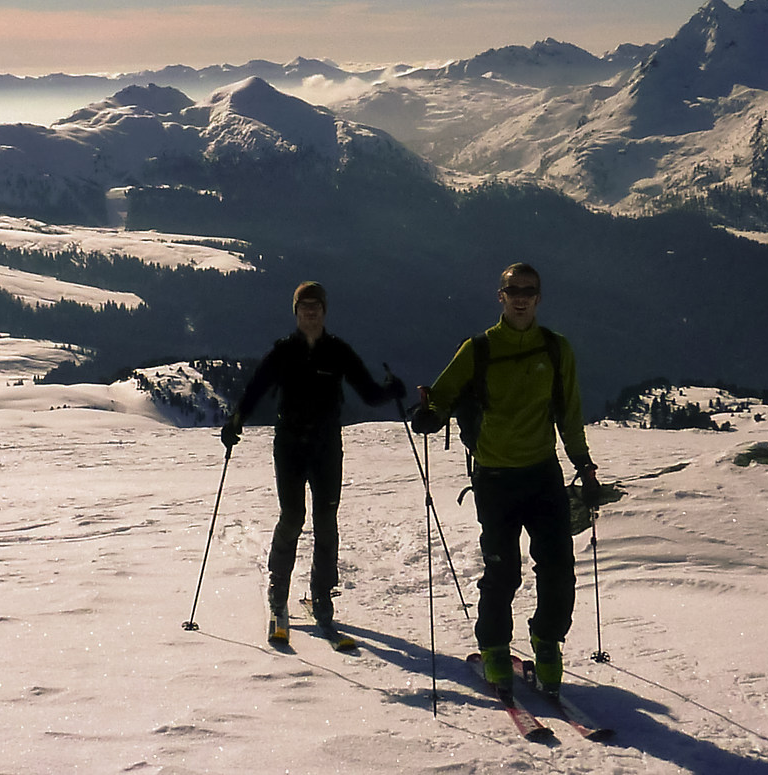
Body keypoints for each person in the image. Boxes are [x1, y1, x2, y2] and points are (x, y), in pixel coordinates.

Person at [411, 262, 599, 694]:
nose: (521, 298)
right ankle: (495, 646)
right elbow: (443, 395)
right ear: (501, 296)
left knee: (558, 568)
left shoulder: (556, 349)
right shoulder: (479, 349)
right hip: (495, 477)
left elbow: (569, 413)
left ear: (539, 297)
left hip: (543, 473)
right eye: (513, 290)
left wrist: (584, 465)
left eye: (528, 291)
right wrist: (430, 415)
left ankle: (547, 642)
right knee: (503, 570)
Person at [224, 281, 403, 644]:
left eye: (315, 306)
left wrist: (391, 391)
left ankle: (322, 595)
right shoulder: (283, 352)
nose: (310, 312)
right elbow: (255, 389)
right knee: (292, 517)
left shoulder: (338, 351)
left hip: (326, 447)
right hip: (290, 446)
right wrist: (236, 420)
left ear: (324, 311)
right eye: (304, 306)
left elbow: (368, 393)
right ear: (296, 311)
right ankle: (279, 590)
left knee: (325, 520)